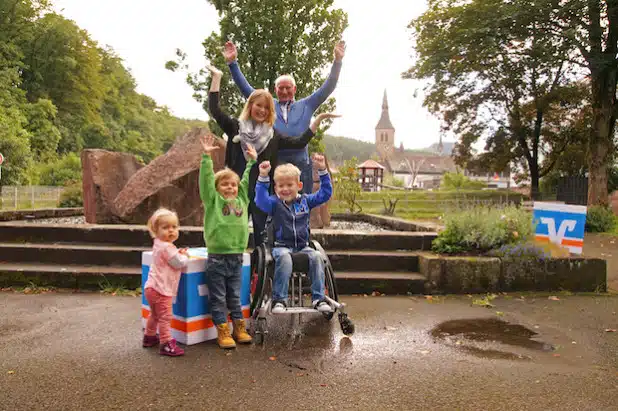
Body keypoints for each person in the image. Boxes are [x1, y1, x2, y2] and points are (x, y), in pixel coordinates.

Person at [206, 64, 339, 247]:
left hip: (262, 194)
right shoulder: (235, 127)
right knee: (232, 232)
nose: (262, 110)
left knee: (263, 239)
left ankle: (259, 274)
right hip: (235, 191)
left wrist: (317, 121)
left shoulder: (272, 135)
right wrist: (217, 78)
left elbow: (299, 142)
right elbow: (215, 109)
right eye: (258, 106)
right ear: (250, 106)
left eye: (266, 108)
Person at [223, 40, 346, 196]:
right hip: (275, 166)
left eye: (288, 88)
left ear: (294, 89)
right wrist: (232, 63)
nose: (284, 91)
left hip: (301, 166)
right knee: (275, 211)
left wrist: (338, 61)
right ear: (275, 90)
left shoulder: (307, 104)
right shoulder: (268, 105)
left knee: (301, 209)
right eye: (281, 88)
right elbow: (246, 90)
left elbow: (328, 87)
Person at [254, 154, 333, 313]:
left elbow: (325, 194)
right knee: (285, 258)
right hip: (281, 246)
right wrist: (263, 177)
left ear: (299, 185)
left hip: (303, 247)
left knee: (317, 256)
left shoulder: (305, 201)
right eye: (280, 186)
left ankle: (318, 298)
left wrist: (323, 170)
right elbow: (260, 200)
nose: (285, 189)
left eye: (289, 184)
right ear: (275, 188)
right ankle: (280, 300)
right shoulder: (274, 203)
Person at [199, 134, 256, 349]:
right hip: (217, 258)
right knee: (218, 297)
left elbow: (246, 181)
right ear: (217, 188)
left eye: (233, 184)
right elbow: (205, 182)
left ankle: (239, 328)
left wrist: (252, 162)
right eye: (225, 184)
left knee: (234, 296)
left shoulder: (242, 199)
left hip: (236, 257)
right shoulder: (213, 200)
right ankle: (222, 331)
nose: (230, 187)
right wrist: (206, 157)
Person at [143, 208, 189, 356]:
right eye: (165, 227)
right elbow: (178, 263)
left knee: (155, 315)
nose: (171, 231)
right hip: (162, 289)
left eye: (174, 227)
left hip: (151, 287)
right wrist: (186, 256)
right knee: (165, 317)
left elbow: (171, 257)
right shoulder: (167, 247)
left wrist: (177, 253)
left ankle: (149, 336)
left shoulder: (158, 244)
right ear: (155, 230)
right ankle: (166, 343)